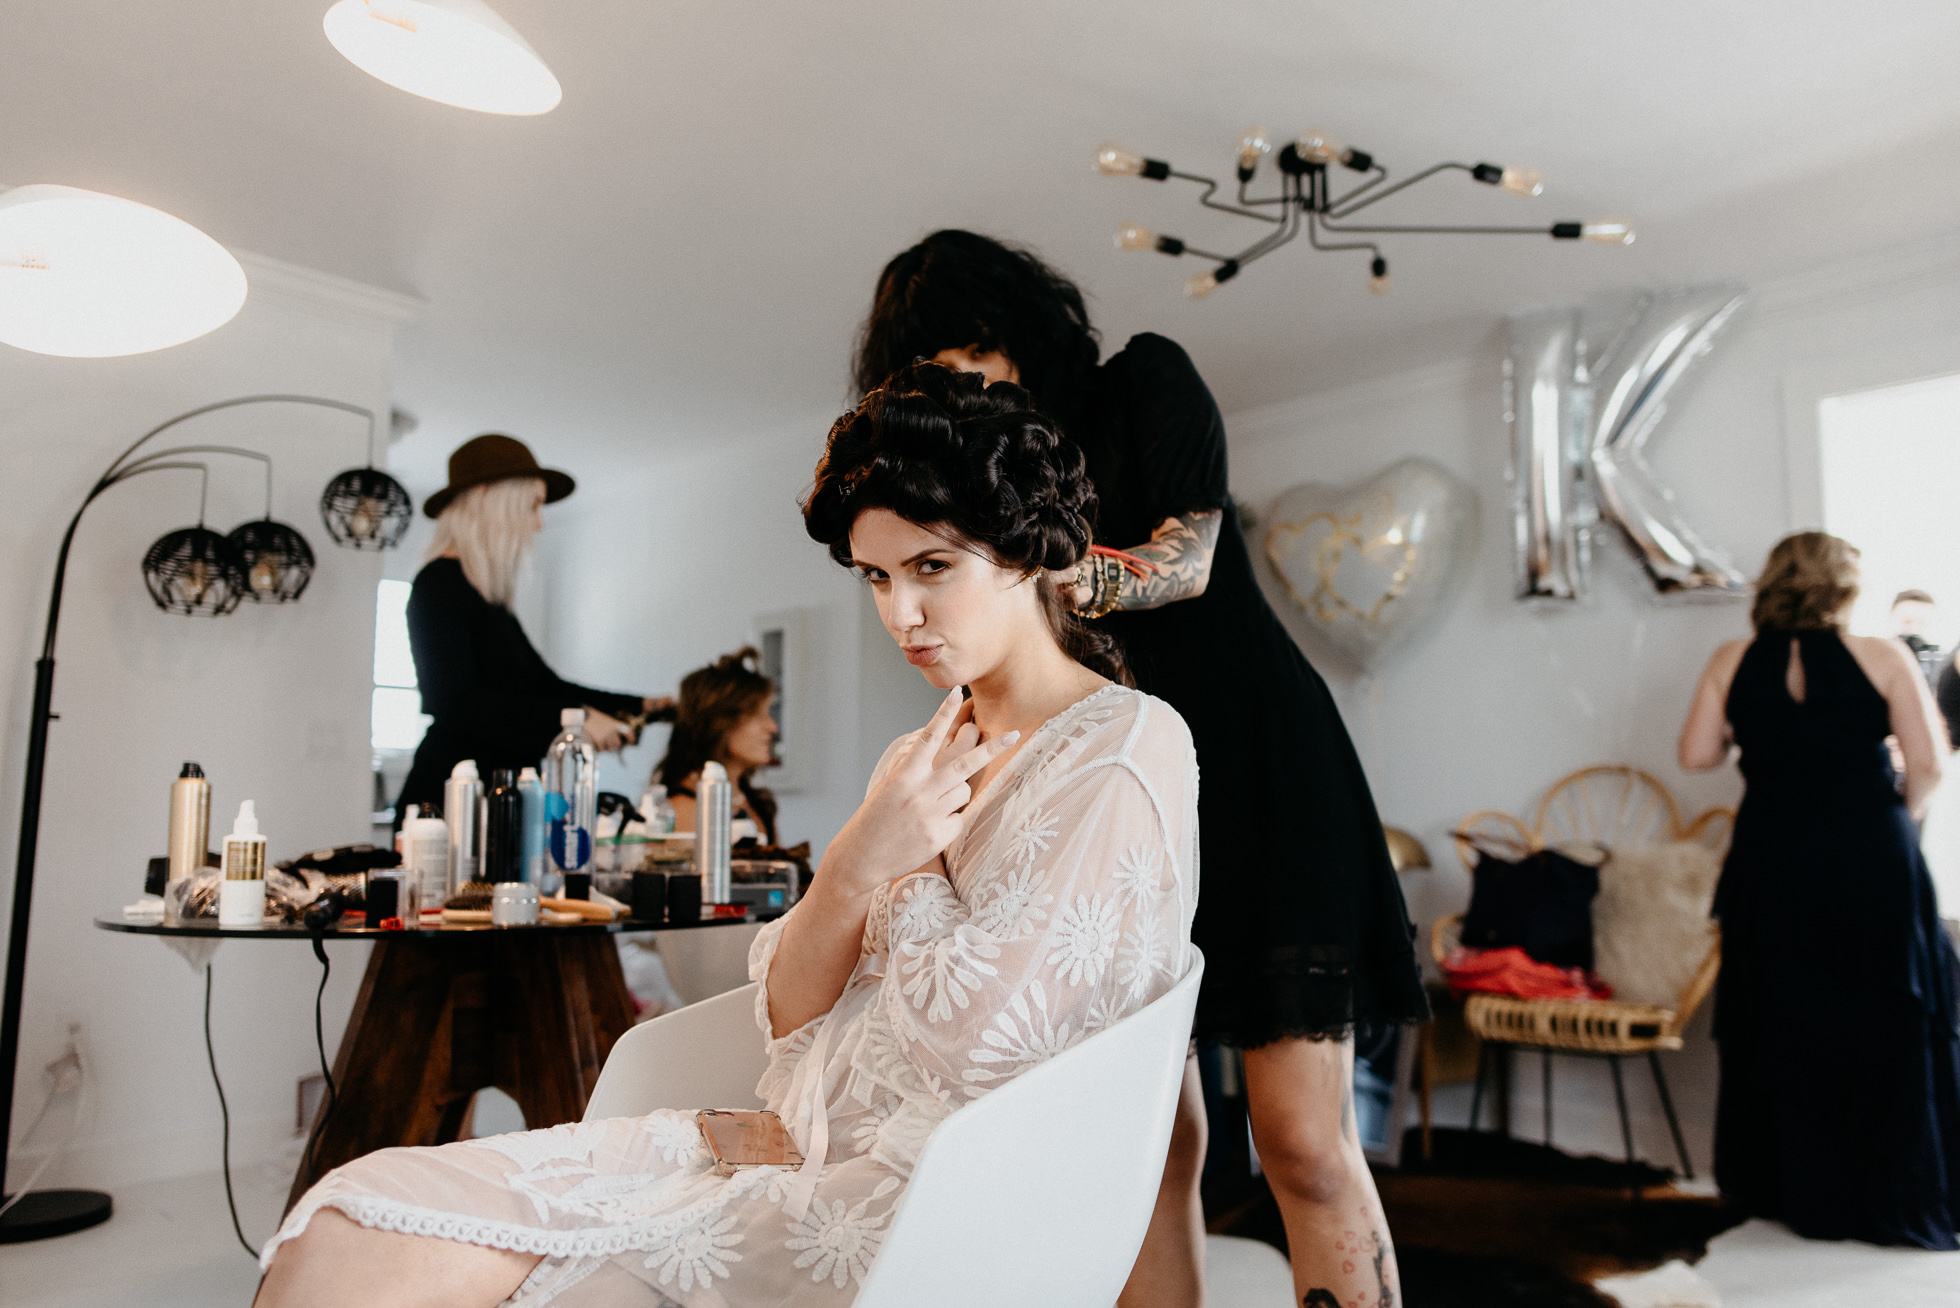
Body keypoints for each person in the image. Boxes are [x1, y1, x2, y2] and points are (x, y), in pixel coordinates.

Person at [255, 364, 1199, 1306]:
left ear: (1028, 552)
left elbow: (986, 1047)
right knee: (340, 1221)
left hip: (904, 1201)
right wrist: (857, 861)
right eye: (876, 576)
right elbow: (789, 1013)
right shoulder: (922, 750)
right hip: (773, 1134)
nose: (897, 615)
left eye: (932, 569)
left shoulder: (1121, 744)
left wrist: (890, 870)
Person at [856, 230, 1424, 1308]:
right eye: (934, 374)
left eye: (975, 356)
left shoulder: (1143, 381)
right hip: (1115, 803)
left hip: (1261, 773)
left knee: (1301, 1141)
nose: (963, 387)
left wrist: (1043, 576)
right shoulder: (965, 478)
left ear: (1022, 332)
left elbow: (1192, 557)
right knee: (1144, 1149)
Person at [1678, 530, 1960, 1248]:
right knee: (1881, 1014)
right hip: (1870, 854)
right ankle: (1885, 1193)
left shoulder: (1730, 659)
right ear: (1845, 586)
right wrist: (1903, 815)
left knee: (1785, 1013)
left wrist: (1772, 740)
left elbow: (1697, 754)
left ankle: (1794, 1189)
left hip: (1772, 856)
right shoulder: (1884, 654)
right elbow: (1928, 764)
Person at [394, 434, 667, 822]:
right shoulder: (438, 585)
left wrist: (646, 706)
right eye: (532, 506)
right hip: (449, 806)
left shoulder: (487, 598)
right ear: (487, 499)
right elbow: (457, 703)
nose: (538, 524)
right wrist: (575, 720)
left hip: (504, 801)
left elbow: (543, 686)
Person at [656, 647, 781, 845]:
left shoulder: (758, 806)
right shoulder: (677, 811)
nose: (772, 727)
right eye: (759, 716)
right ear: (721, 723)